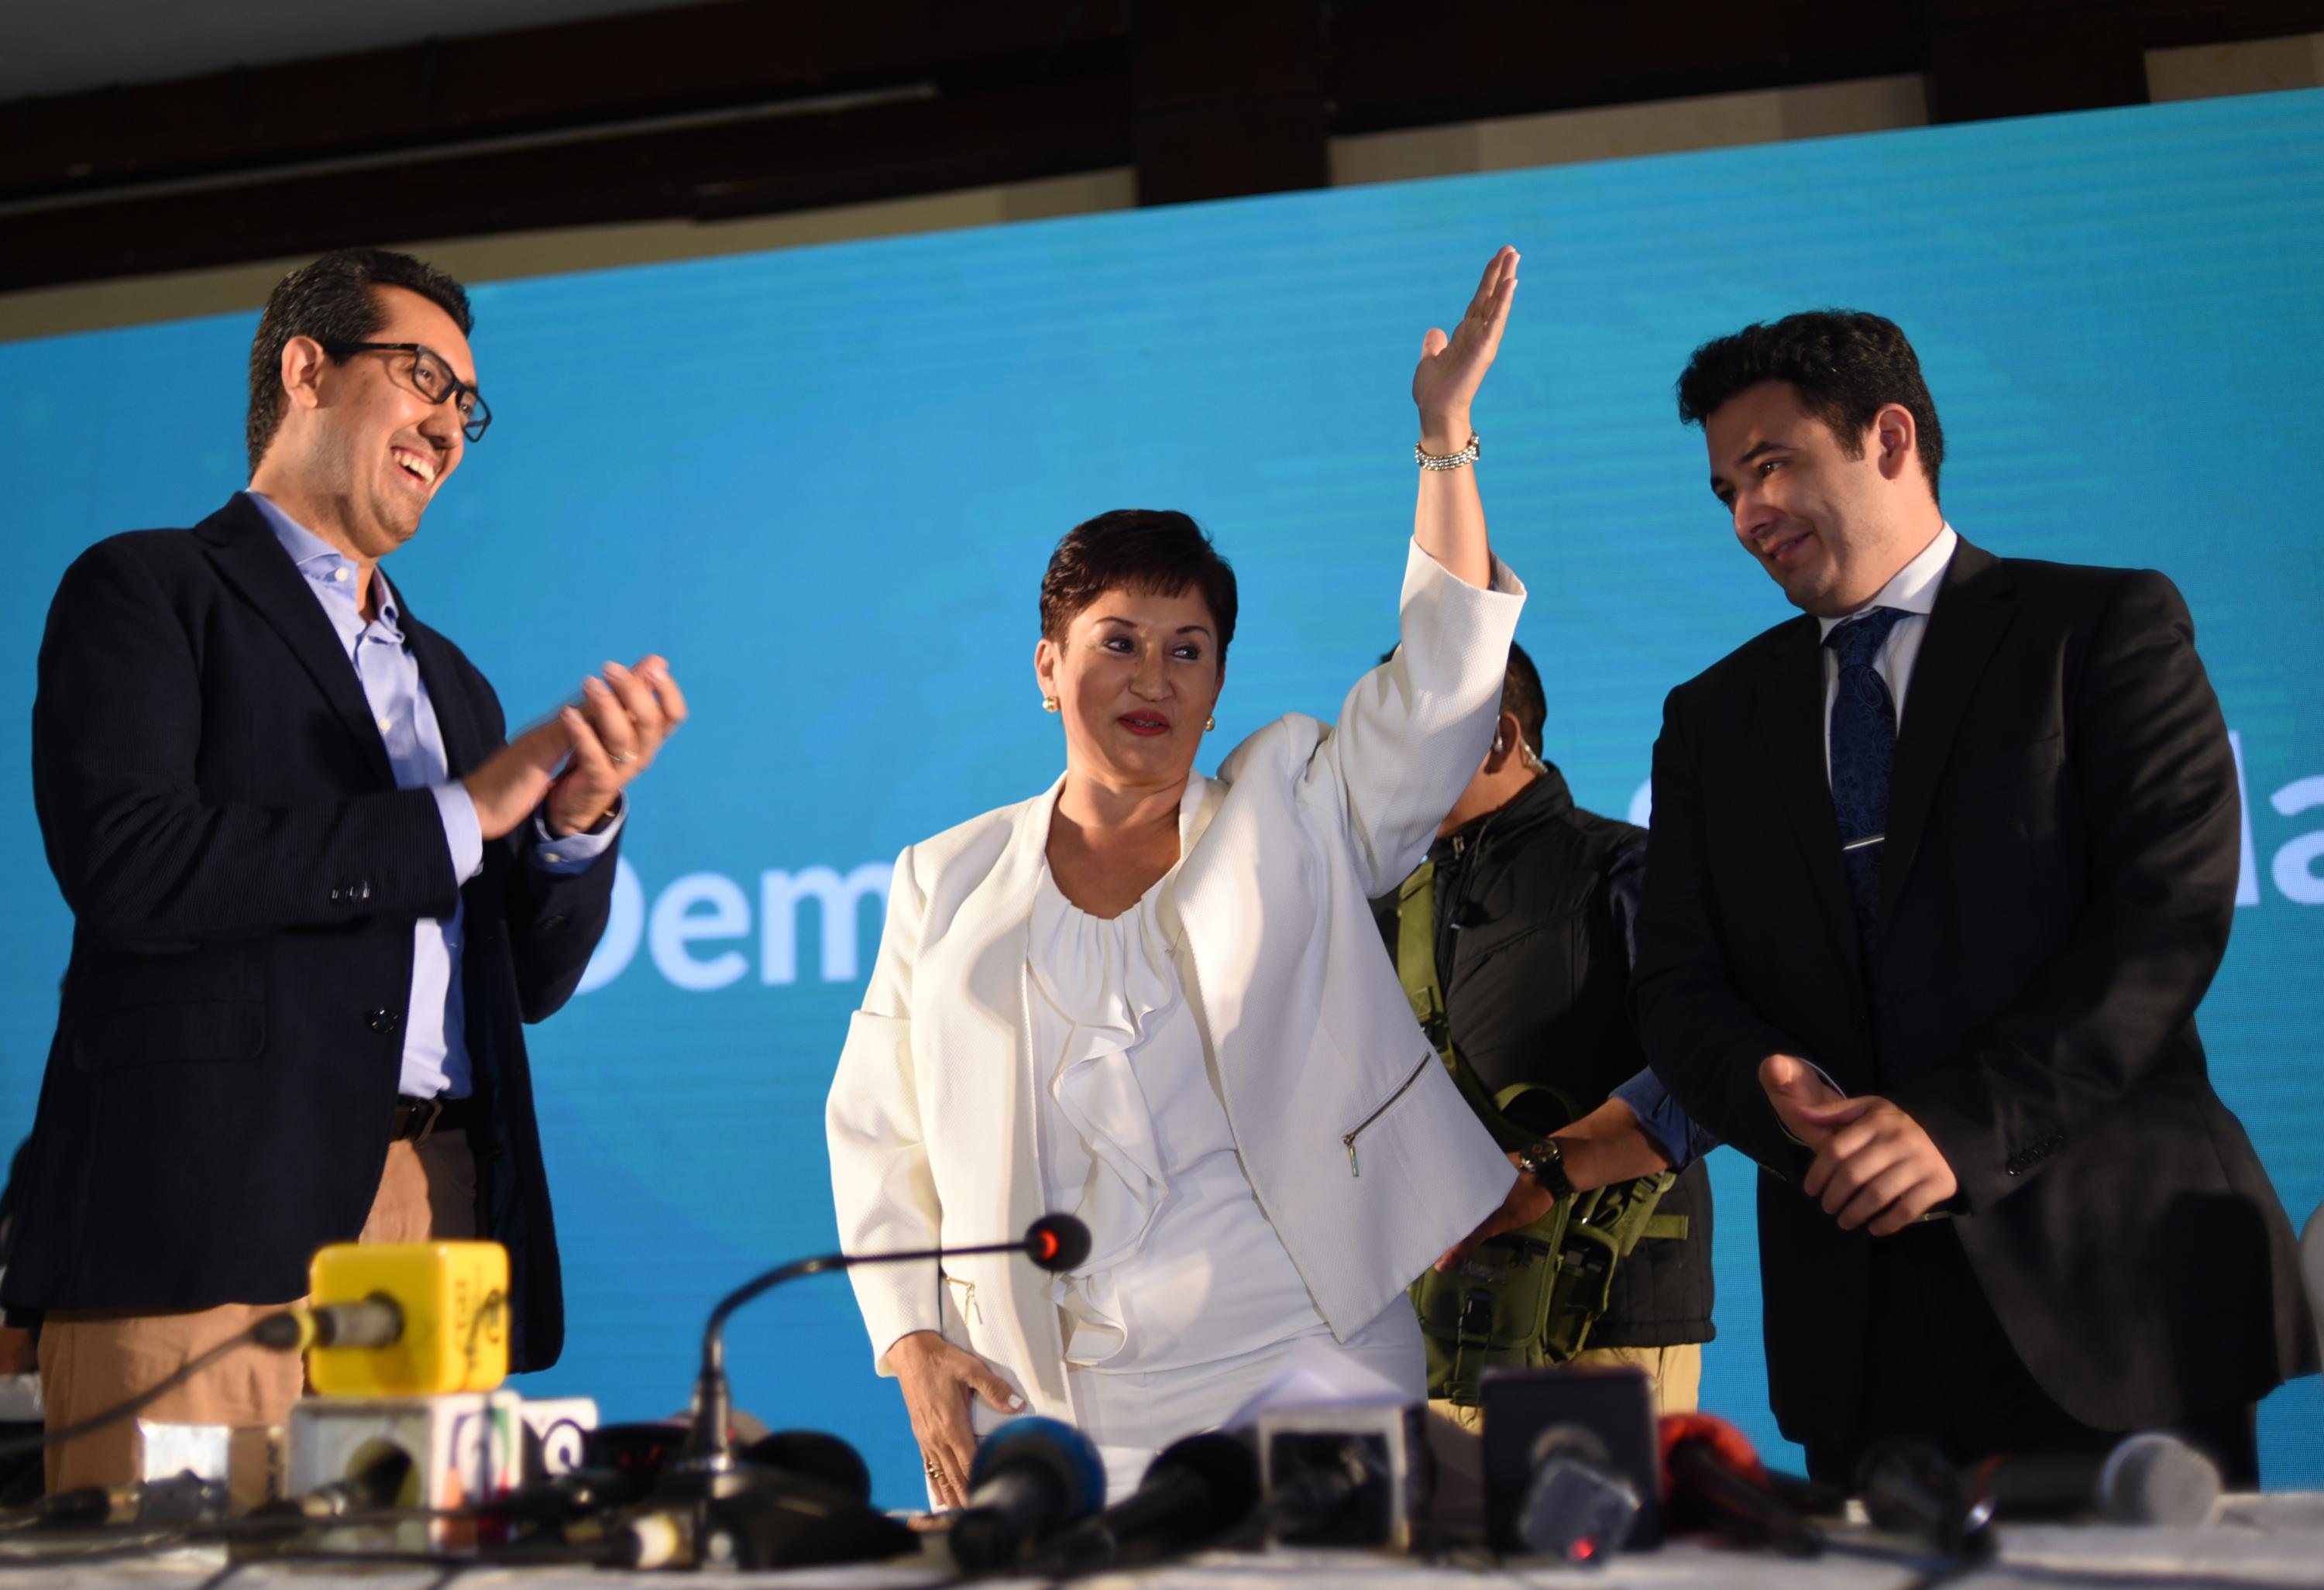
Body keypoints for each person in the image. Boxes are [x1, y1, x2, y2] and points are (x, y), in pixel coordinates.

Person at [827, 248, 1530, 1506]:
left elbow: (1438, 689)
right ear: (1048, 666)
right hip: (1047, 1397)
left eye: (1188, 650)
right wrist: (907, 1335)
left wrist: (1445, 439)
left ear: (1217, 687)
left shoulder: (1294, 805)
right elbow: (882, 1125)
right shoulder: (946, 873)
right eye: (1118, 643)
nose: (1153, 676)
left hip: (1296, 1364)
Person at [5, 248, 687, 1489]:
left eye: (467, 404)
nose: (449, 422)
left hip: (436, 1213)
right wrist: (460, 814)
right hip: (202, 1219)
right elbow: (131, 866)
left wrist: (573, 825)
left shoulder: (454, 680)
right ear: (306, 369)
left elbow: (523, 980)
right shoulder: (149, 589)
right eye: (423, 375)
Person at [1631, 310, 2313, 1483]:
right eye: (1726, 489)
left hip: (2118, 1296)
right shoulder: (1712, 719)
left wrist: (1954, 1130)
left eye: (1772, 465)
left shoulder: (2101, 629)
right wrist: (1766, 1091)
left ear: (1890, 436)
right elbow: (1680, 986)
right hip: (1862, 1329)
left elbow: (2164, 923)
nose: (1748, 515)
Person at [1373, 641, 1716, 1420]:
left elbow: (1715, 1067)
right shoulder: (1388, 905)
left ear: (1497, 736)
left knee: (1594, 1548)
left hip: (1600, 1332)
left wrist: (1547, 1167)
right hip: (1430, 1335)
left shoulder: (1630, 868)